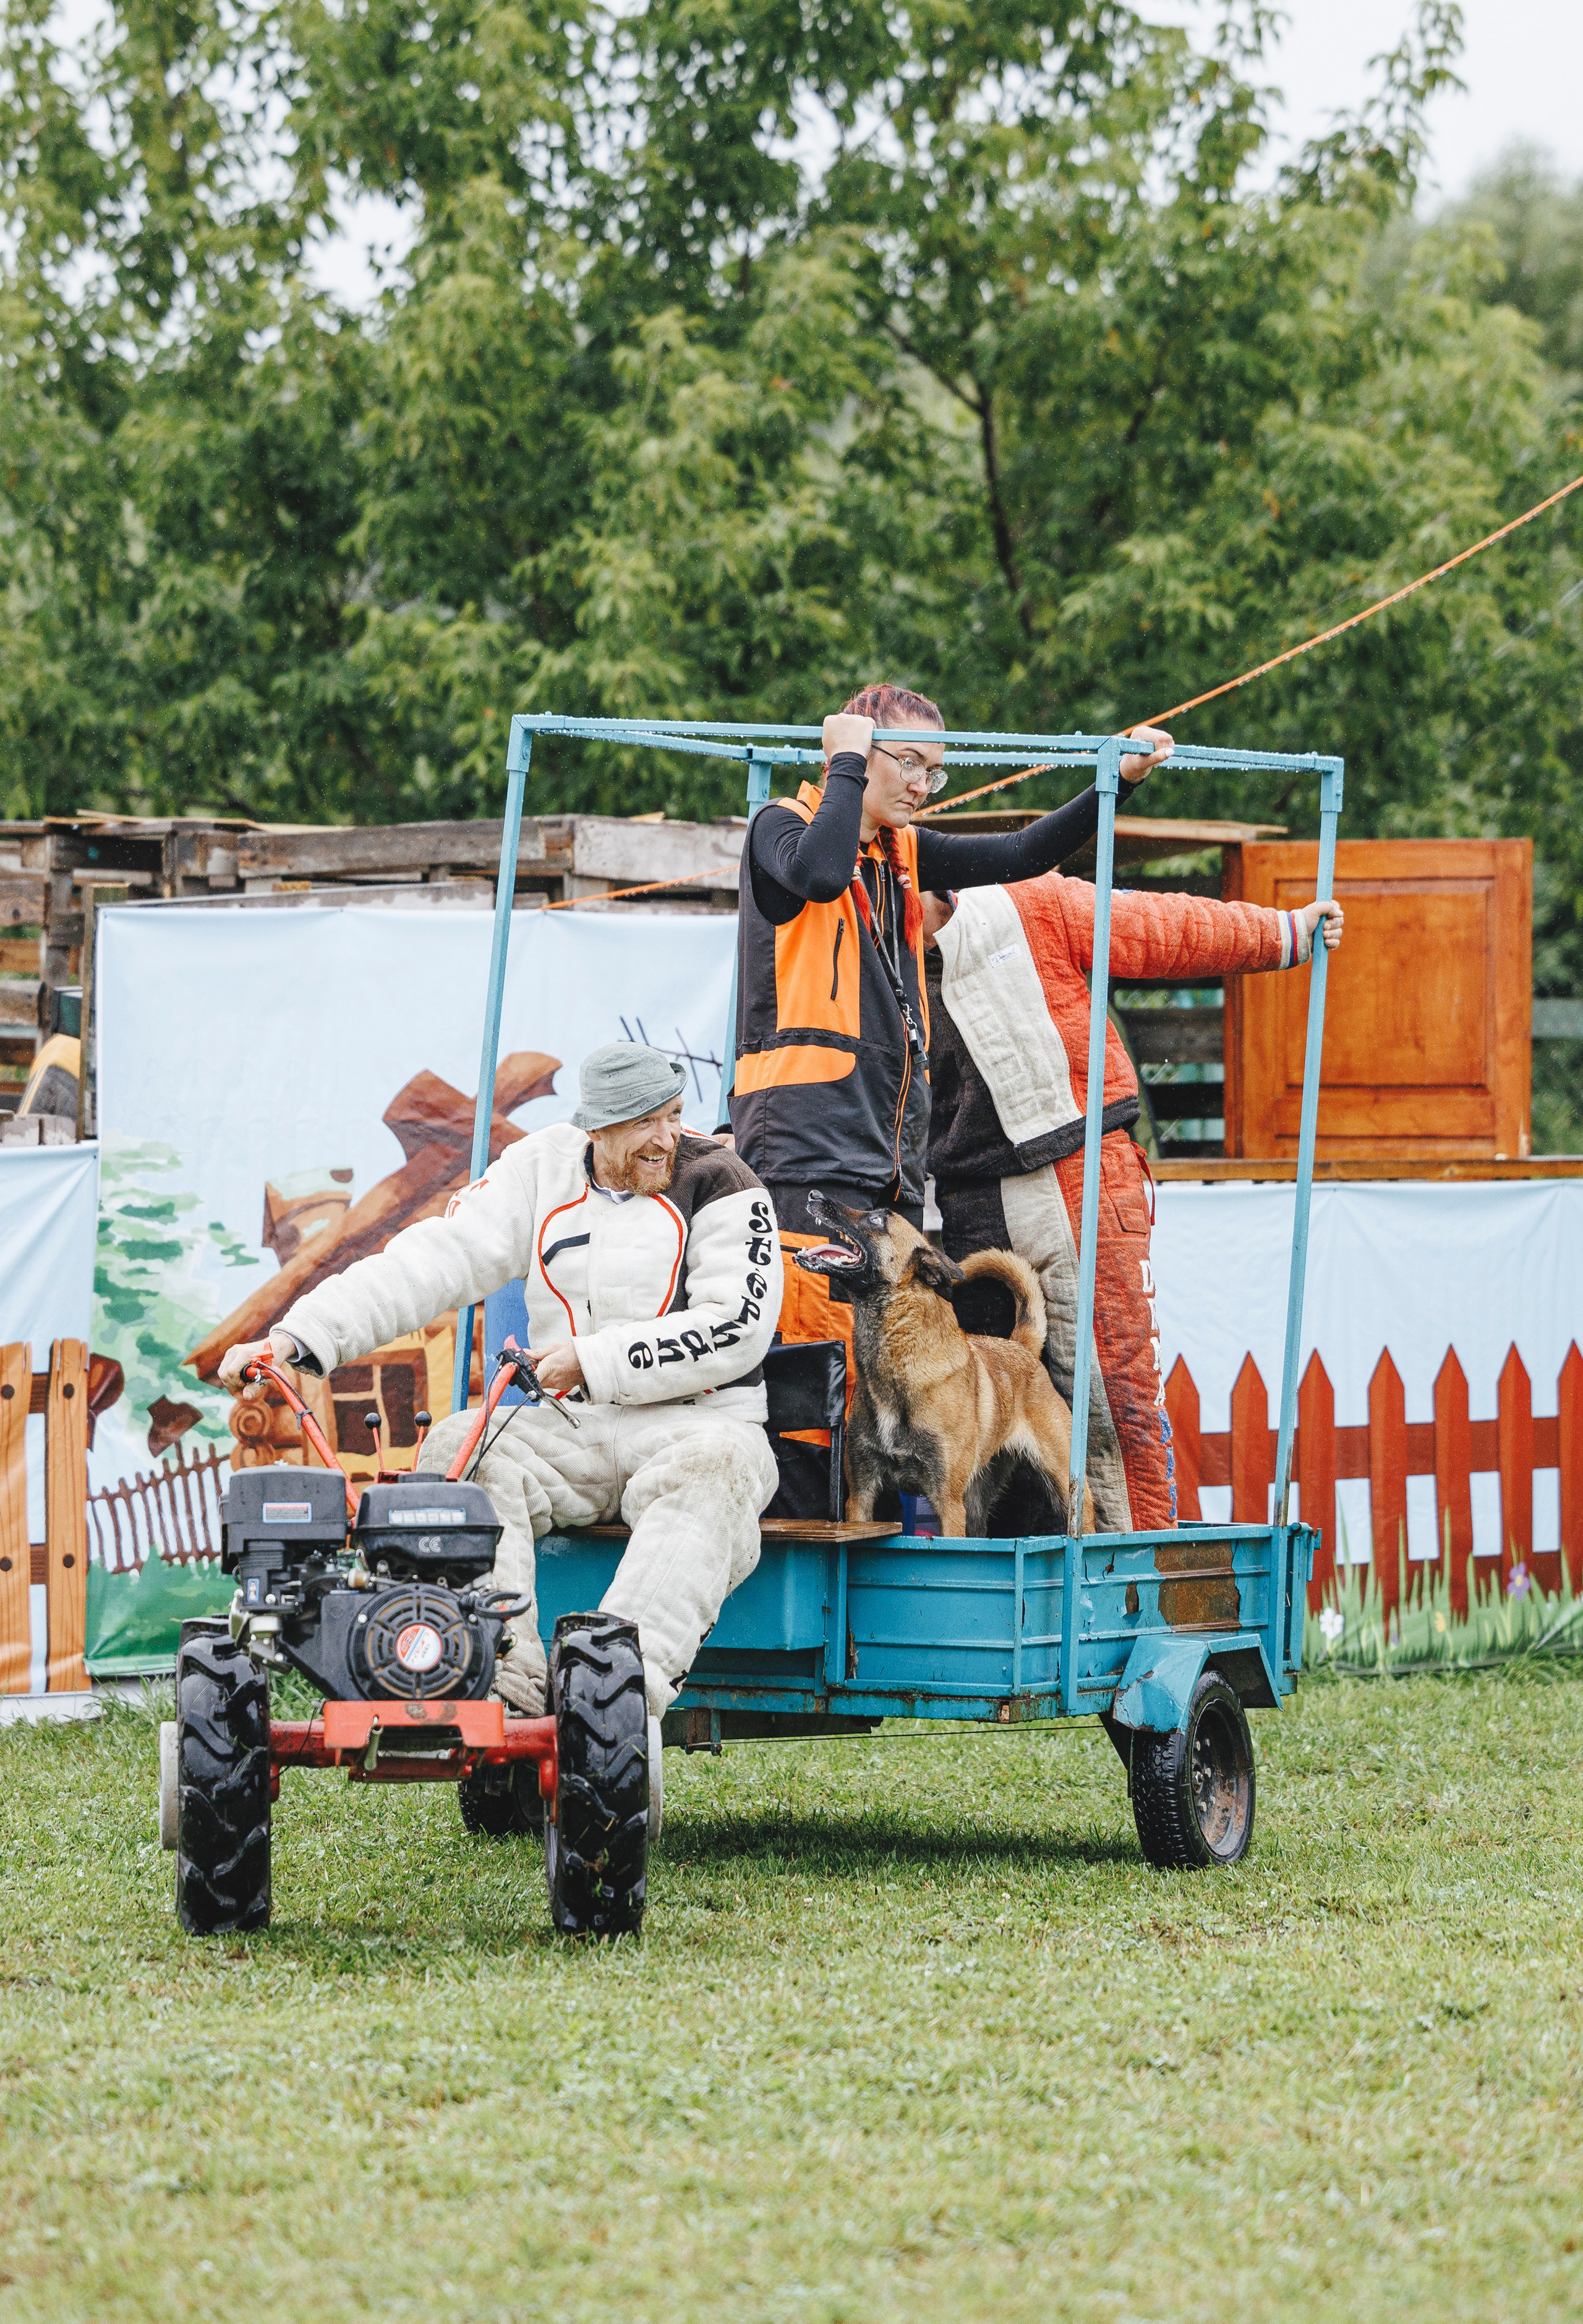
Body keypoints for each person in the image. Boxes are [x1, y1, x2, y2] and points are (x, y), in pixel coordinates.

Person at [218, 1042, 783, 1725]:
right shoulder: (540, 1167)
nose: (666, 1139)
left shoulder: (725, 1179)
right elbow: (429, 1262)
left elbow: (736, 1327)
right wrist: (298, 1337)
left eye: (672, 1116)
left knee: (718, 1469)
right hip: (571, 1428)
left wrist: (590, 1359)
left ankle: (611, 1699)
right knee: (463, 1451)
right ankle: (501, 1688)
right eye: (643, 1124)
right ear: (595, 1127)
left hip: (701, 1423)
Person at [728, 681, 1174, 1359]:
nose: (921, 786)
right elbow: (820, 874)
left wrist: (1115, 784)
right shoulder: (780, 826)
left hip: (888, 1152)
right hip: (805, 1142)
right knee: (813, 1364)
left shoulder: (898, 850)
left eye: (933, 771)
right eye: (907, 762)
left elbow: (1023, 853)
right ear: (852, 748)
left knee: (889, 1370)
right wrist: (844, 764)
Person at [923, 873, 1345, 1535]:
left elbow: (1159, 929)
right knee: (983, 1434)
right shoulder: (874, 961)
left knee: (1113, 1410)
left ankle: (1129, 1591)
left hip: (1076, 1170)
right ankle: (1005, 1620)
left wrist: (1285, 933)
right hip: (969, 1201)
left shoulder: (1031, 906)